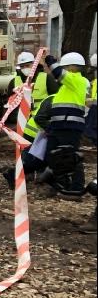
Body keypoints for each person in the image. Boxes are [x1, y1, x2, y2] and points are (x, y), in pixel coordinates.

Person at [41, 52, 89, 197]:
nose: (64, 70)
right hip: (59, 126)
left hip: (70, 127)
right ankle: (60, 185)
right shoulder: (68, 85)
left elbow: (58, 73)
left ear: (74, 68)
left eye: (66, 67)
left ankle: (75, 188)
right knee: (55, 157)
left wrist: (50, 60)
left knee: (70, 157)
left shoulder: (77, 80)